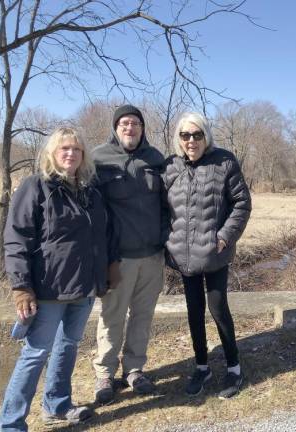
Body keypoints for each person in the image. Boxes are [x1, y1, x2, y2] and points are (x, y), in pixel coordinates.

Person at [0, 127, 119, 431]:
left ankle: (58, 404)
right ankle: (11, 424)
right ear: (53, 153)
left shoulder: (90, 192)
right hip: (48, 288)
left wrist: (109, 266)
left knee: (68, 345)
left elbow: (105, 233)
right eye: (64, 148)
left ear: (83, 156)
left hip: (84, 286)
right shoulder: (36, 187)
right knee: (36, 353)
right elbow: (16, 240)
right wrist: (21, 286)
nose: (71, 154)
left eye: (76, 150)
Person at [164, 112, 251, 399]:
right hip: (183, 256)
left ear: (206, 136)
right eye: (185, 135)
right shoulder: (170, 166)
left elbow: (241, 203)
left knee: (218, 309)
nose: (191, 141)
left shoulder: (224, 161)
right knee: (193, 312)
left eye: (197, 134)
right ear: (179, 139)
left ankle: (233, 366)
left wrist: (225, 235)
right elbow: (159, 207)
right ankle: (202, 366)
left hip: (215, 253)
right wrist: (166, 240)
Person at [92, 104, 167, 404]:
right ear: (115, 127)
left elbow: (166, 204)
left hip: (151, 256)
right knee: (111, 317)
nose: (129, 128)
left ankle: (134, 369)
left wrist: (163, 239)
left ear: (142, 128)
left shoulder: (155, 159)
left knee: (143, 316)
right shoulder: (99, 158)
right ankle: (104, 374)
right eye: (124, 123)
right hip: (118, 258)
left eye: (135, 123)